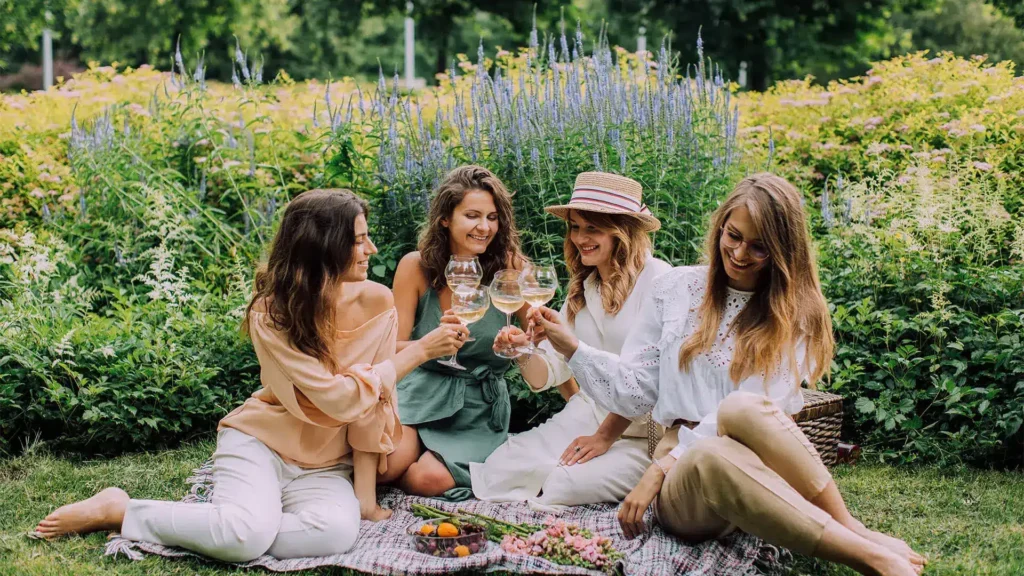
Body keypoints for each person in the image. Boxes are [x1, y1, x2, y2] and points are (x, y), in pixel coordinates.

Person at [33, 189, 466, 561]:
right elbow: (339, 398)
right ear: (323, 246)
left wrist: (365, 503)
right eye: (358, 240)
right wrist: (423, 350)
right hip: (262, 442)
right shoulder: (272, 312)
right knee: (246, 536)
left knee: (336, 533)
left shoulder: (377, 302)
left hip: (326, 466)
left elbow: (370, 405)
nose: (371, 249)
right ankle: (123, 509)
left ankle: (234, 523)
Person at [532, 173, 927, 576]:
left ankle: (849, 527)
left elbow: (764, 408)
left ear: (782, 252)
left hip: (753, 461)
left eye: (759, 247)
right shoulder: (675, 289)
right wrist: (572, 349)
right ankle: (868, 556)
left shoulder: (793, 312)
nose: (739, 253)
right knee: (711, 450)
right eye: (733, 236)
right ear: (720, 226)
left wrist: (656, 470)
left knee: (741, 408)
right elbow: (636, 394)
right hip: (688, 481)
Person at [471, 172, 671, 508]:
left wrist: (604, 437)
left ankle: (579, 475)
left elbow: (651, 384)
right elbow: (547, 375)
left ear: (622, 230)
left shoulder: (659, 280)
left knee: (562, 485)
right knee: (502, 464)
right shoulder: (586, 288)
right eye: (575, 227)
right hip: (588, 415)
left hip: (642, 434)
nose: (580, 238)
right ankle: (550, 472)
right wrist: (522, 350)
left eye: (592, 228)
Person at [383, 165, 528, 501]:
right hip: (419, 393)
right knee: (385, 468)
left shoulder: (509, 268)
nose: (484, 227)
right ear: (445, 219)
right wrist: (430, 345)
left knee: (427, 479)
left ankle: (432, 460)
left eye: (492, 217)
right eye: (473, 215)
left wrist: (523, 342)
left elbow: (536, 334)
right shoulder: (414, 267)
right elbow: (389, 348)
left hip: (477, 406)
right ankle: (412, 452)